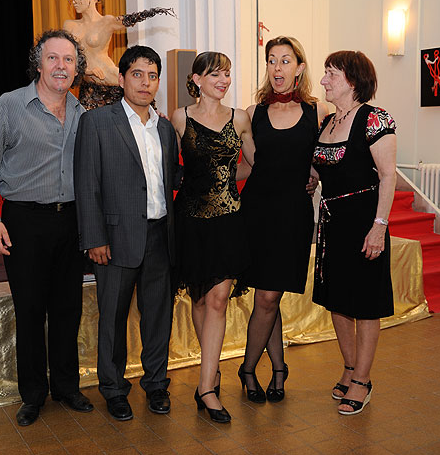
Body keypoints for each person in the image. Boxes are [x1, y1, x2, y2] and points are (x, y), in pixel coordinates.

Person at [0, 29, 94, 427]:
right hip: (24, 220)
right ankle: (33, 395)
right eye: (53, 58)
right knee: (30, 310)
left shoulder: (82, 113)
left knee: (67, 309)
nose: (61, 66)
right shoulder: (7, 107)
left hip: (71, 221)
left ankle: (67, 387)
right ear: (38, 63)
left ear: (77, 68)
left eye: (69, 60)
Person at [73, 45, 181, 421]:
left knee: (158, 316)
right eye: (137, 74)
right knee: (113, 318)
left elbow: (170, 180)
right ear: (121, 79)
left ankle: (156, 384)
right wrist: (94, 238)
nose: (145, 83)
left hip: (160, 237)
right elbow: (86, 184)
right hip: (115, 240)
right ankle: (114, 388)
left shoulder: (164, 128)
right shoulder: (97, 122)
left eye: (152, 76)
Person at [238, 36, 327, 403]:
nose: (277, 67)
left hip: (292, 215)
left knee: (269, 295)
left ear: (299, 67)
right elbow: (249, 165)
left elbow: (330, 155)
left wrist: (317, 175)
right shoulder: (253, 112)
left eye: (285, 60)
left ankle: (251, 368)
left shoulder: (317, 111)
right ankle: (272, 369)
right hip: (257, 212)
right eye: (272, 60)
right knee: (267, 295)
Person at [170, 51, 255, 423]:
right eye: (216, 74)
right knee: (200, 299)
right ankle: (212, 372)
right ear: (197, 79)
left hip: (228, 219)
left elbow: (254, 163)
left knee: (219, 298)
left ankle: (206, 388)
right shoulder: (179, 118)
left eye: (227, 73)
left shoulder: (240, 118)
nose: (223, 80)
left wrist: (224, 178)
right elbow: (167, 166)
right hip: (190, 219)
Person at [312, 50, 397, 415]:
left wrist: (379, 226)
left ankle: (362, 380)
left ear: (352, 79)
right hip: (333, 223)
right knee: (338, 301)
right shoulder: (327, 122)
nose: (324, 80)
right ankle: (349, 367)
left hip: (364, 222)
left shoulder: (375, 118)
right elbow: (322, 168)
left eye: (331, 73)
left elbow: (388, 176)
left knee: (364, 303)